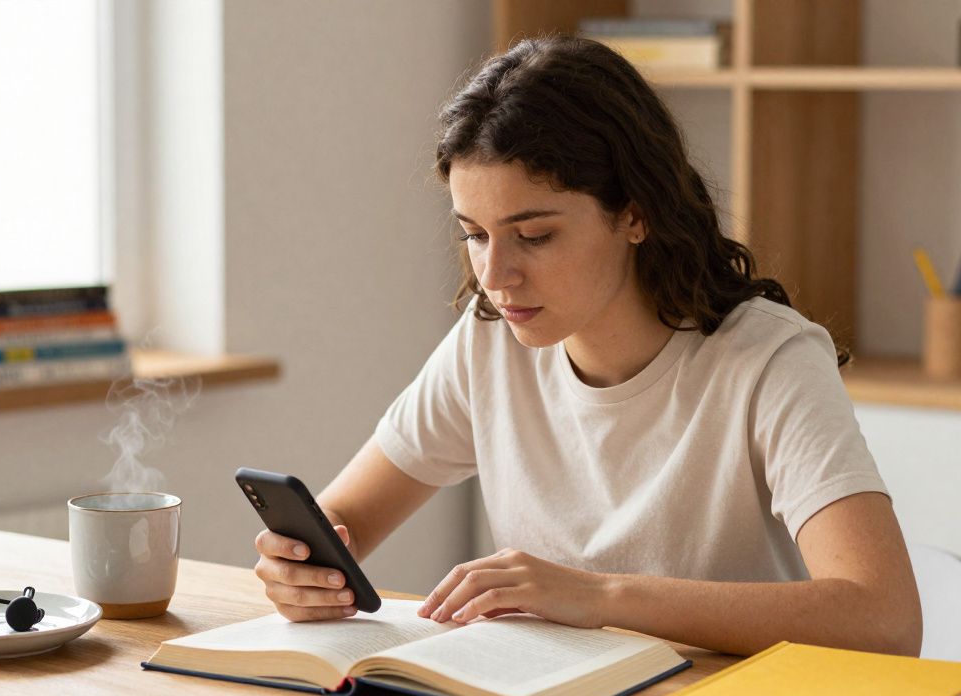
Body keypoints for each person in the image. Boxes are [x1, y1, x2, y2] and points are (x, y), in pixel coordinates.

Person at [253, 35, 922, 657]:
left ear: (634, 213)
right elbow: (343, 521)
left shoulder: (768, 361)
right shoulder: (490, 343)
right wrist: (302, 570)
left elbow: (884, 619)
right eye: (475, 234)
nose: (495, 275)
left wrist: (598, 596)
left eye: (534, 235)